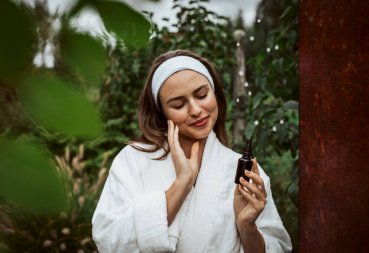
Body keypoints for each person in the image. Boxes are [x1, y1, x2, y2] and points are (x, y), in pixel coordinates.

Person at [92, 49, 292, 253]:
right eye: (178, 104)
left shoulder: (244, 173)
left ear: (215, 93)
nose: (195, 110)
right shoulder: (133, 161)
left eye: (202, 95)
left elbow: (279, 247)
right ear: (161, 112)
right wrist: (182, 183)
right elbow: (108, 239)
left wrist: (247, 227)